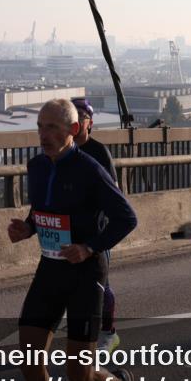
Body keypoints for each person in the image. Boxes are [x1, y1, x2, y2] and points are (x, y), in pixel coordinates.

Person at [8, 99, 139, 381]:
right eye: (40, 127)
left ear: (73, 130)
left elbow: (127, 218)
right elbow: (42, 209)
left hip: (86, 272)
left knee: (79, 375)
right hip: (50, 268)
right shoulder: (35, 165)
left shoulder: (90, 169)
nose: (44, 135)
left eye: (52, 128)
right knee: (28, 357)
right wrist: (28, 228)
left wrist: (89, 246)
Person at [70, 97, 120, 353]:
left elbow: (115, 193)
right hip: (67, 232)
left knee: (102, 284)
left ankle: (108, 333)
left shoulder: (99, 151)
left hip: (97, 231)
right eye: (72, 115)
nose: (77, 120)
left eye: (82, 115)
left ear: (90, 122)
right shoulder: (62, 150)